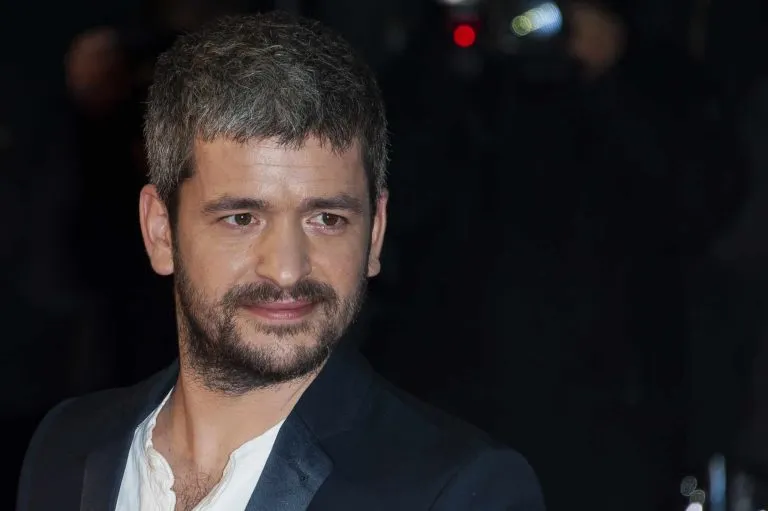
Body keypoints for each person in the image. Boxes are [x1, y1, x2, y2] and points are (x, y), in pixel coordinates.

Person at [16, 12, 544, 511]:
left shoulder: (455, 491)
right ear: (161, 231)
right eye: (242, 218)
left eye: (327, 219)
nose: (287, 270)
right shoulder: (66, 446)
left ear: (375, 232)